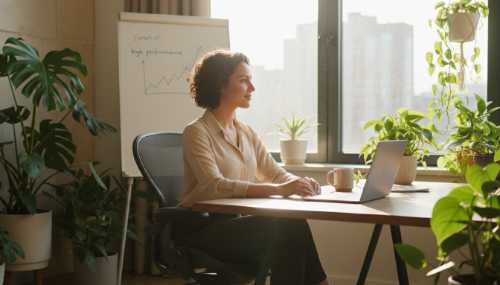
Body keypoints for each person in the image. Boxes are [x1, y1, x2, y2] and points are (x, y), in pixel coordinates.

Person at [176, 50, 330, 285]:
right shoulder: (197, 132)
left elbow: (275, 172)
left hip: (237, 223)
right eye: (244, 80)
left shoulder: (246, 132)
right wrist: (279, 190)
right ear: (220, 85)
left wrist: (298, 183)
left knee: (292, 223)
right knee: (287, 227)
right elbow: (214, 185)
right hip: (205, 229)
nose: (252, 88)